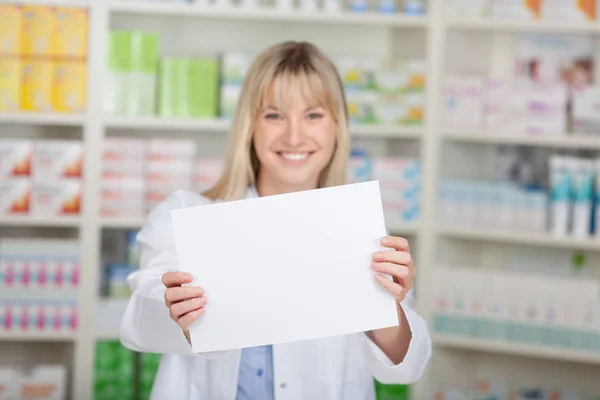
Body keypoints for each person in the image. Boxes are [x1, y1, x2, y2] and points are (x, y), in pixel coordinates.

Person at [120, 41, 432, 400]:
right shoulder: (187, 215)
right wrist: (180, 315)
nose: (294, 136)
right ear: (249, 126)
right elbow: (140, 322)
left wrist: (386, 304)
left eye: (313, 115)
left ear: (337, 126)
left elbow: (408, 366)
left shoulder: (361, 229)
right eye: (274, 115)